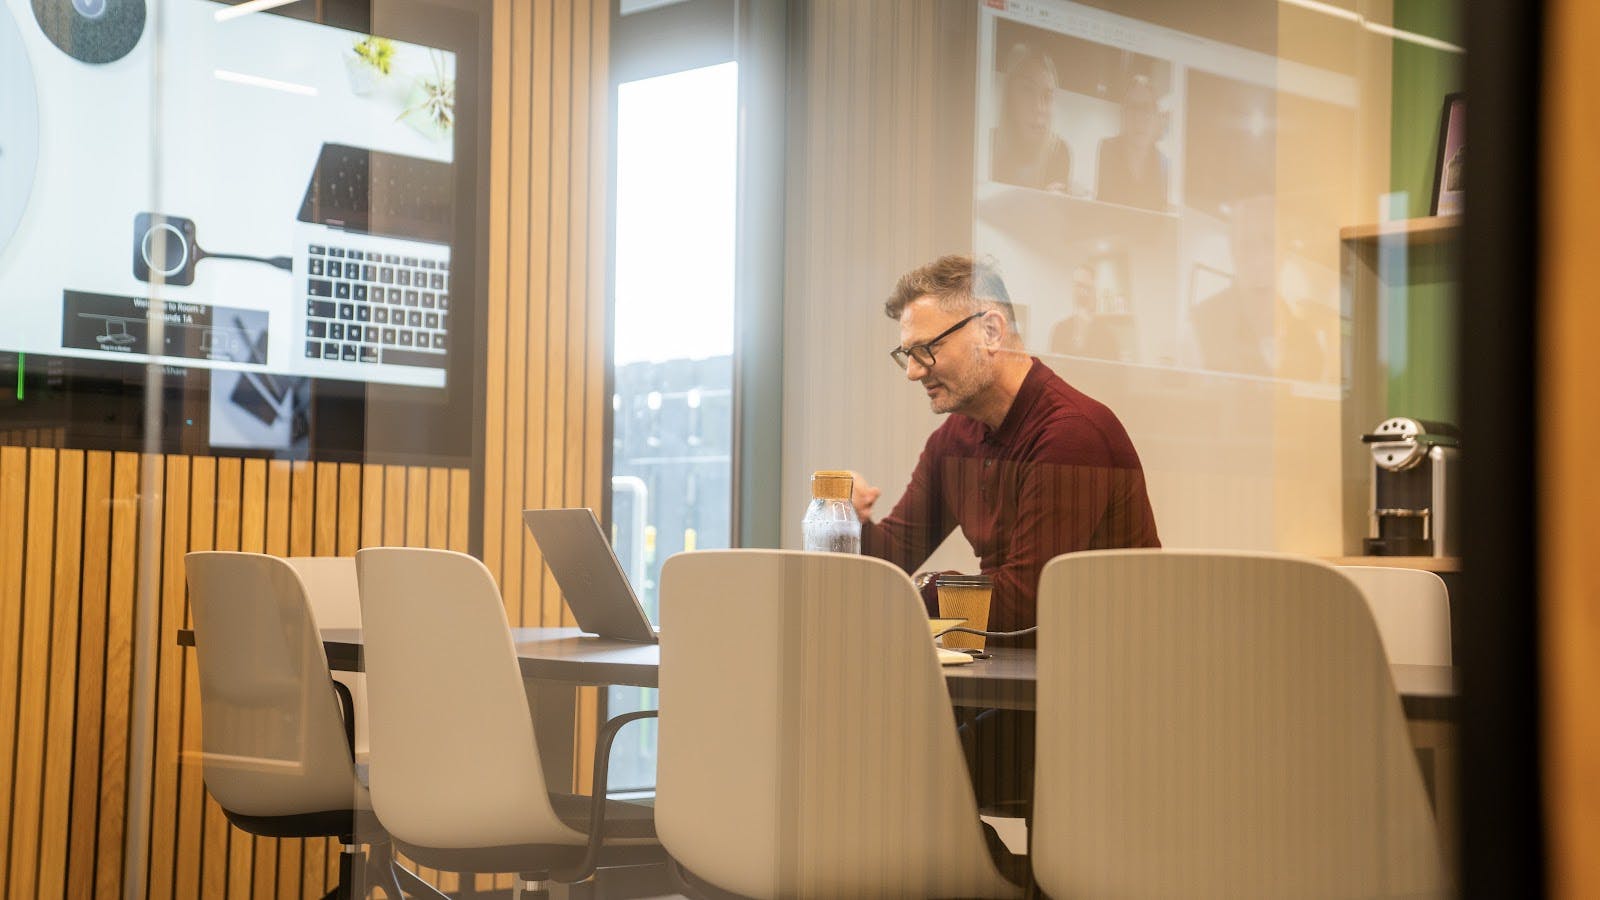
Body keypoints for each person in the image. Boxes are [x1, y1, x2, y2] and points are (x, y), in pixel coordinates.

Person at [853, 254, 1160, 815]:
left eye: (926, 350)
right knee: (859, 742)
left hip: (1093, 699)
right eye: (907, 353)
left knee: (890, 767)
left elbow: (1022, 605)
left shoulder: (1072, 434)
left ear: (990, 330)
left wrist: (917, 592)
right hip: (1013, 683)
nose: (913, 371)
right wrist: (844, 520)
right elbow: (891, 557)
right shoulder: (957, 438)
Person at [989, 44, 1072, 192]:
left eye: (1047, 96)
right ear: (1009, 96)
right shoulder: (989, 143)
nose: (1039, 108)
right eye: (1027, 91)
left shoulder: (1059, 151)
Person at [1095, 75, 1169, 210]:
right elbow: (1104, 205)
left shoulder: (1163, 163)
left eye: (1146, 108)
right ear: (1124, 112)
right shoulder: (1108, 149)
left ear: (1155, 114)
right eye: (1133, 107)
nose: (1138, 117)